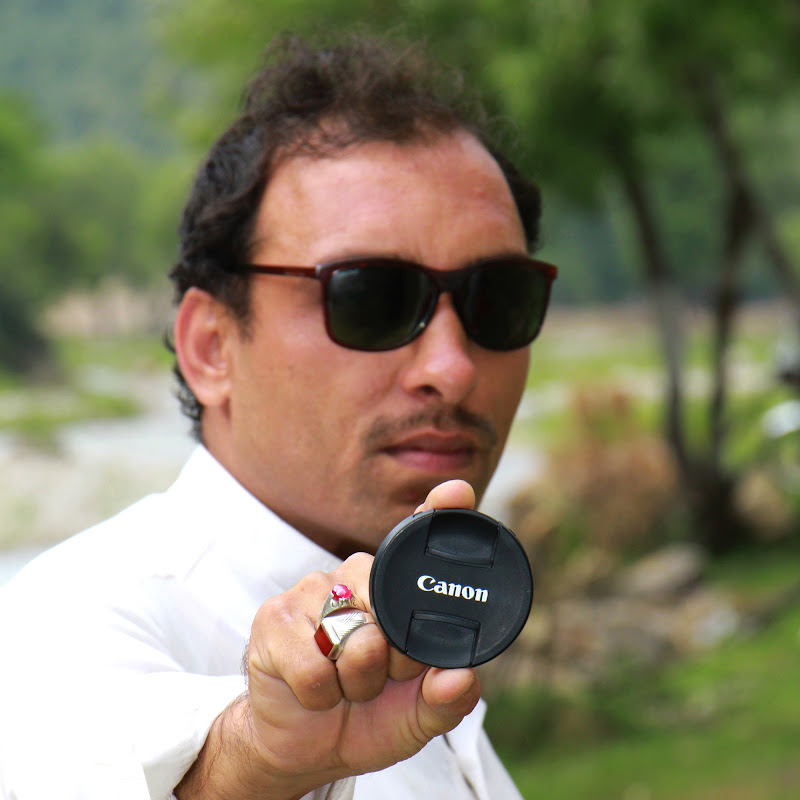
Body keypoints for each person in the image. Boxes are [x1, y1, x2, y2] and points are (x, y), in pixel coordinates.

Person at [0, 33, 556, 800]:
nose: (452, 369)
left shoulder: (428, 620)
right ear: (211, 346)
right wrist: (253, 762)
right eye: (370, 298)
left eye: (500, 302)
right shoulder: (66, 627)